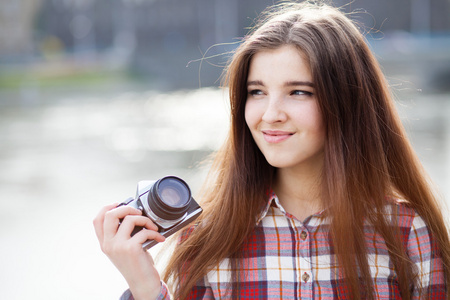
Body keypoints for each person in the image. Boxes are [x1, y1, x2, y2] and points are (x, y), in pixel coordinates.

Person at [93, 1, 450, 299]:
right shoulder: (210, 237)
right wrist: (143, 284)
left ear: (347, 100)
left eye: (299, 92)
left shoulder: (405, 231)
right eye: (257, 92)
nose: (270, 115)